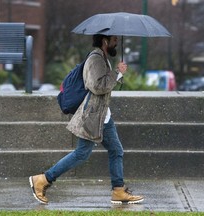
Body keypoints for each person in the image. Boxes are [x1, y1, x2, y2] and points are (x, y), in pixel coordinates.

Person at [29, 34, 144, 205]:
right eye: (114, 40)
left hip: (104, 116)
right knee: (81, 154)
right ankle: (43, 180)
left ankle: (118, 190)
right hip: (93, 116)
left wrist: (117, 75)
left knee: (116, 151)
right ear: (105, 41)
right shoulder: (96, 59)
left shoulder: (103, 58)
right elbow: (96, 86)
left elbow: (104, 83)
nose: (116, 43)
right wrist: (117, 73)